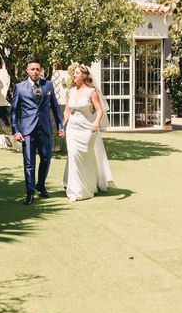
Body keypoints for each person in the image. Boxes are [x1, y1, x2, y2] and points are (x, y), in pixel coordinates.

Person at [11, 59, 64, 205]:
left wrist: (60, 125)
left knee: (46, 159)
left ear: (40, 71)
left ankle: (40, 185)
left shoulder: (48, 85)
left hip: (45, 129)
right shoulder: (19, 87)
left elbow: (55, 107)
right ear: (27, 71)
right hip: (27, 131)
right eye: (32, 69)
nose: (35, 71)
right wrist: (16, 130)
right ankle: (30, 193)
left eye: (37, 69)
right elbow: (14, 111)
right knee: (29, 163)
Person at [63, 64, 112, 201]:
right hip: (72, 129)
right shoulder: (70, 91)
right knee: (73, 157)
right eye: (74, 73)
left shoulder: (92, 92)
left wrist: (96, 122)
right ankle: (75, 191)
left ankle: (89, 187)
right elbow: (67, 110)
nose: (74, 75)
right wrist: (62, 125)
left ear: (84, 75)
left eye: (77, 73)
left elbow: (100, 110)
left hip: (87, 129)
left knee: (86, 157)